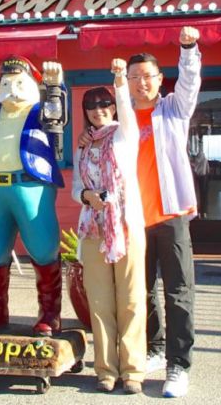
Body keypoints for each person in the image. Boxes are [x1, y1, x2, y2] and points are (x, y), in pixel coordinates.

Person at [0, 56, 65, 336]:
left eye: (19, 82)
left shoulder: (40, 113)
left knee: (43, 248)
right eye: (6, 82)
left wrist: (54, 87)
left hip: (28, 184)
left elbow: (57, 117)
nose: (12, 88)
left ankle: (49, 312)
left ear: (31, 84)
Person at [129, 26, 201, 398]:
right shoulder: (120, 119)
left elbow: (189, 82)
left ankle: (179, 365)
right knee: (139, 291)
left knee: (178, 292)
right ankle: (156, 349)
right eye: (135, 77)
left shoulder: (173, 108)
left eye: (148, 76)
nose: (142, 83)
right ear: (125, 82)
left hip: (170, 215)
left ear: (160, 80)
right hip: (133, 221)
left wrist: (188, 49)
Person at [72, 59, 146, 395]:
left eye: (104, 105)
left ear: (113, 107)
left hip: (127, 226)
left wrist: (119, 79)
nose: (98, 110)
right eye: (91, 106)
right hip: (93, 229)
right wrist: (87, 195)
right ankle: (105, 369)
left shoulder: (124, 133)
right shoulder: (83, 145)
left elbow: (127, 108)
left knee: (130, 299)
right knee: (99, 302)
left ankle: (133, 370)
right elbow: (75, 187)